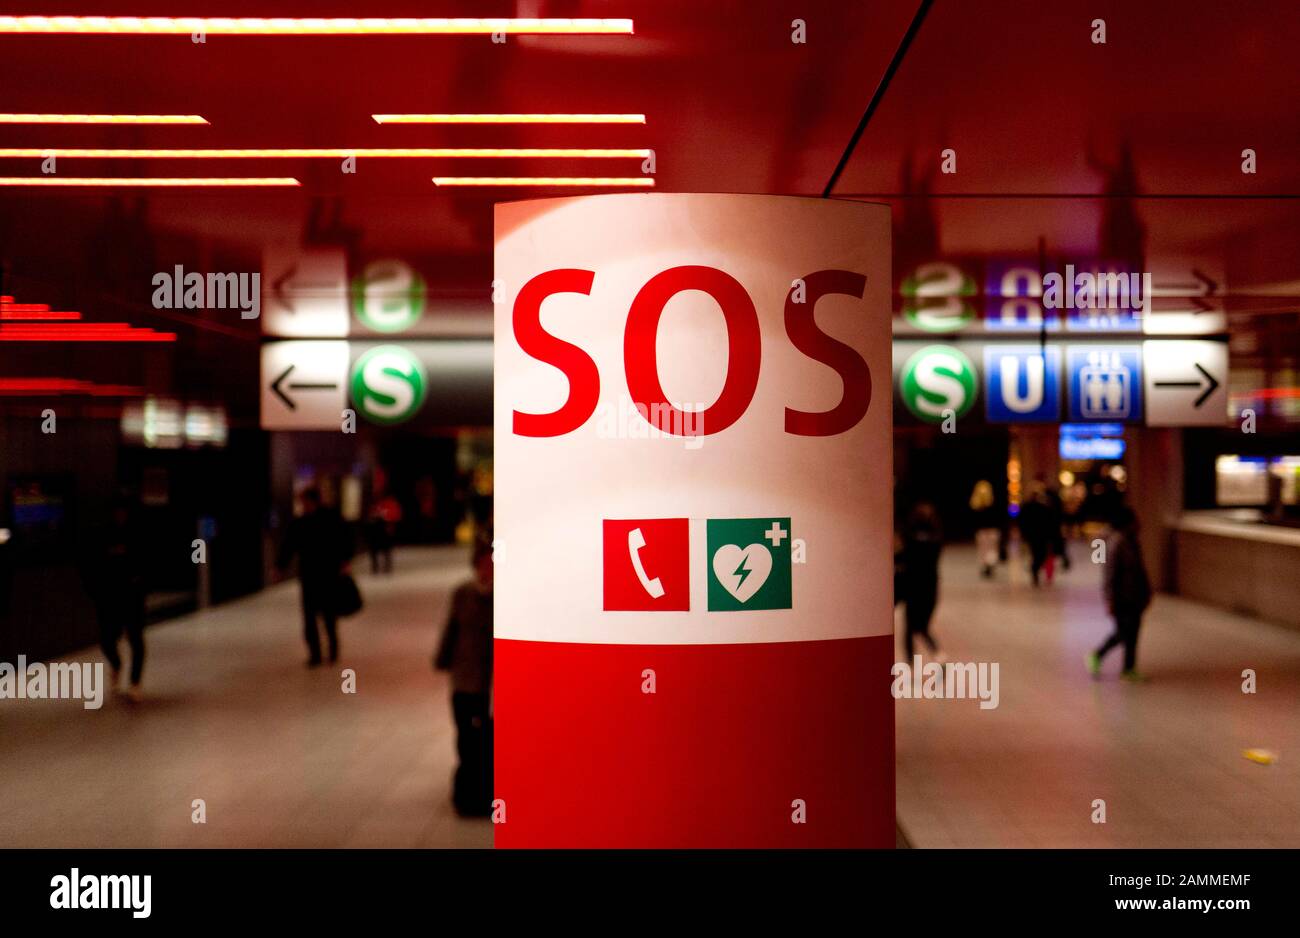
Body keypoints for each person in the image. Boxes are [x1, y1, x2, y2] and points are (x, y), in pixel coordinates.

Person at [434, 537, 494, 817]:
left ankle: (486, 794)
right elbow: (451, 628)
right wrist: (442, 659)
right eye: (483, 563)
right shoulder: (462, 593)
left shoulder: (506, 598)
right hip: (465, 679)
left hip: (492, 685)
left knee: (487, 740)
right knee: (466, 738)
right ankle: (466, 796)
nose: (487, 570)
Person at [276, 488, 352, 667]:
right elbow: (289, 545)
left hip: (327, 573)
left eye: (305, 501)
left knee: (328, 614)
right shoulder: (301, 523)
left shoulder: (329, 519)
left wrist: (345, 560)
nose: (303, 505)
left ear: (313, 501)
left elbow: (345, 539)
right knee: (310, 616)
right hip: (310, 575)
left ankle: (332, 648)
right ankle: (316, 654)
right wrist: (280, 566)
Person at [1088, 507, 1152, 681]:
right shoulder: (1117, 543)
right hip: (1122, 596)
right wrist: (1110, 599)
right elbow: (1110, 574)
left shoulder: (1132, 541)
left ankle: (1129, 668)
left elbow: (1140, 570)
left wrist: (1146, 592)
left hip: (1135, 595)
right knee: (1124, 632)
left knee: (1133, 633)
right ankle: (1098, 654)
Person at [93, 499, 147, 702]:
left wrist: (139, 583)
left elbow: (145, 563)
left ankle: (135, 682)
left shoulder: (138, 535)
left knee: (136, 639)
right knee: (107, 640)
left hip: (132, 596)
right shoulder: (104, 535)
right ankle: (116, 665)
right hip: (110, 596)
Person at [899, 502, 943, 661]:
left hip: (912, 586)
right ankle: (938, 656)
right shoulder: (936, 539)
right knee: (921, 627)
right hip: (929, 586)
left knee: (911, 628)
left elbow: (901, 558)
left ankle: (910, 663)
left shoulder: (909, 538)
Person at [1018, 478, 1056, 587]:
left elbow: (1050, 521)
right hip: (1033, 535)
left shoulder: (1045, 505)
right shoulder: (1027, 506)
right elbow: (1023, 521)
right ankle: (1034, 569)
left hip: (1042, 534)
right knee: (1036, 553)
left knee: (1041, 554)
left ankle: (1034, 568)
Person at [969, 479, 1000, 579]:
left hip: (986, 531)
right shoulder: (981, 506)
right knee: (988, 550)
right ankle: (988, 566)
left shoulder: (978, 506)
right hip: (988, 531)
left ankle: (988, 566)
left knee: (985, 550)